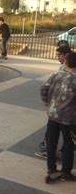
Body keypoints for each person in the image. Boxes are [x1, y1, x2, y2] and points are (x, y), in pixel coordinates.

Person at [40, 52, 76, 181]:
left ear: (65, 62)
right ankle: (66, 172)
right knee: (69, 144)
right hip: (70, 119)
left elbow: (43, 89)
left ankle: (51, 168)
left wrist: (48, 103)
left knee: (52, 142)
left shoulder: (56, 75)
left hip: (53, 115)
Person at [36, 45, 73, 159]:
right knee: (67, 136)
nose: (57, 57)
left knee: (53, 134)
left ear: (66, 55)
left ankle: (50, 154)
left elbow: (44, 88)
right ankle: (62, 153)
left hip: (57, 110)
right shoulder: (66, 68)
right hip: (68, 112)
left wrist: (49, 102)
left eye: (59, 55)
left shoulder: (64, 69)